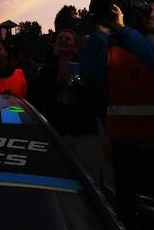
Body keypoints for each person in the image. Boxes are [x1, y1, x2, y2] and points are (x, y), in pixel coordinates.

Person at [81, 0, 154, 228]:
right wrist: (103, 27)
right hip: (125, 154)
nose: (151, 13)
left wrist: (122, 30)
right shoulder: (118, 49)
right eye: (149, 9)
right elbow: (91, 73)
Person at [30, 30, 102, 183]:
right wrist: (56, 82)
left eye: (68, 39)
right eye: (60, 38)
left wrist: (71, 83)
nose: (63, 40)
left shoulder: (87, 69)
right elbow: (39, 99)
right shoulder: (46, 71)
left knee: (89, 181)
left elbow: (95, 101)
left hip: (84, 134)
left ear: (75, 47)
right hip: (57, 134)